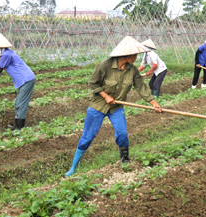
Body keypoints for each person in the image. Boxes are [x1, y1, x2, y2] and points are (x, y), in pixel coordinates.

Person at [65, 36, 162, 177]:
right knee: (87, 137)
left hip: (117, 107)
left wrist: (153, 103)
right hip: (98, 105)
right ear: (125, 54)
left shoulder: (132, 70)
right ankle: (74, 167)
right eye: (134, 54)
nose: (136, 57)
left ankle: (125, 161)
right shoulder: (105, 66)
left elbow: (141, 86)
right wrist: (105, 95)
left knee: (122, 134)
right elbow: (93, 83)